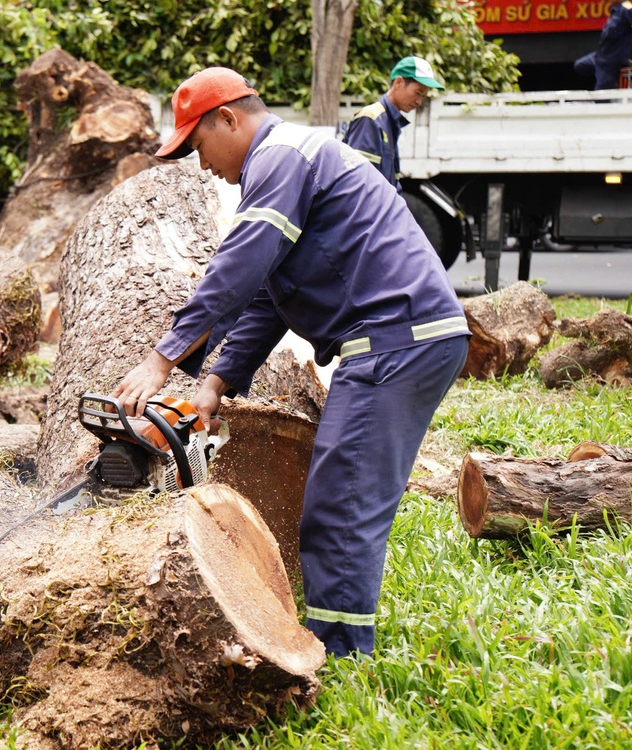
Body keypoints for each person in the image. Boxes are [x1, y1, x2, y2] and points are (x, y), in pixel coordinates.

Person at [111, 67, 470, 657]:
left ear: (228, 118)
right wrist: (215, 382)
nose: (203, 166)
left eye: (199, 146)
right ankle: (338, 639)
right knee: (342, 496)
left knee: (340, 503)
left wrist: (161, 359)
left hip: (395, 341)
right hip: (403, 337)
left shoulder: (279, 158)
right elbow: (266, 296)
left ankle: (341, 653)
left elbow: (241, 264)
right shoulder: (292, 156)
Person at [343, 56, 444, 191]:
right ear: (398, 83)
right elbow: (359, 181)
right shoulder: (371, 119)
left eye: (423, 96)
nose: (419, 101)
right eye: (417, 93)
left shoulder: (390, 122)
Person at [574, 0, 632, 90]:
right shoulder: (615, 11)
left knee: (602, 94)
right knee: (580, 66)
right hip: (600, 57)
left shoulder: (628, 10)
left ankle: (609, 81)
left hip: (611, 62)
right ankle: (605, 78)